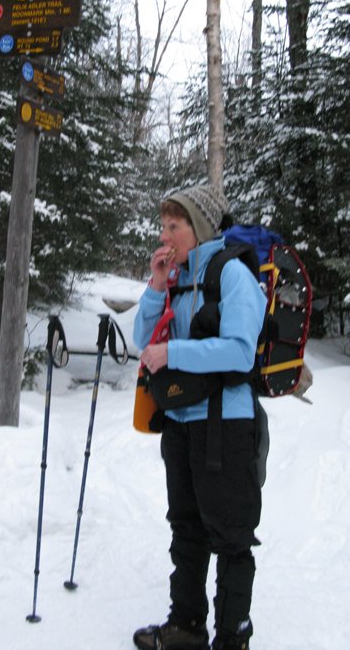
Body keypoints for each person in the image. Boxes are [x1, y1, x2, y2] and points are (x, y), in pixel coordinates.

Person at [132, 183, 267, 650]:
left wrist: (173, 350)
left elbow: (239, 350)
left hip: (226, 425)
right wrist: (155, 284)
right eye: (163, 225)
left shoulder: (231, 274)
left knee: (230, 535)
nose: (165, 234)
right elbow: (141, 339)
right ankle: (186, 626)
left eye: (175, 225)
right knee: (186, 527)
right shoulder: (178, 276)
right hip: (181, 422)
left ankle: (232, 639)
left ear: (201, 227)